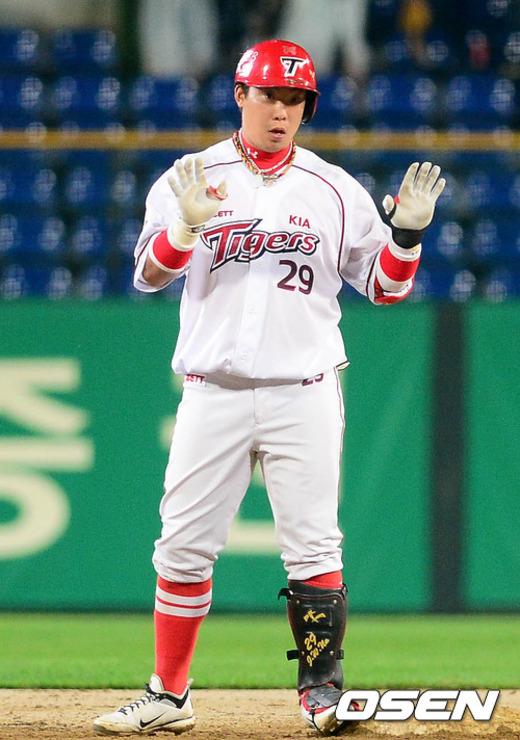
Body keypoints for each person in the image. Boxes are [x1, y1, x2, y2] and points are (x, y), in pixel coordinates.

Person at [93, 39, 445, 736]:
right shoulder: (191, 176)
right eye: (269, 95)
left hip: (302, 388)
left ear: (307, 107)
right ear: (241, 95)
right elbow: (148, 275)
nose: (281, 111)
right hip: (213, 389)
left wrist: (405, 237)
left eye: (294, 99)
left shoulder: (333, 189)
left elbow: (384, 288)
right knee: (182, 546)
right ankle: (169, 694)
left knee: (314, 546)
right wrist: (185, 226)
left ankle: (321, 692)